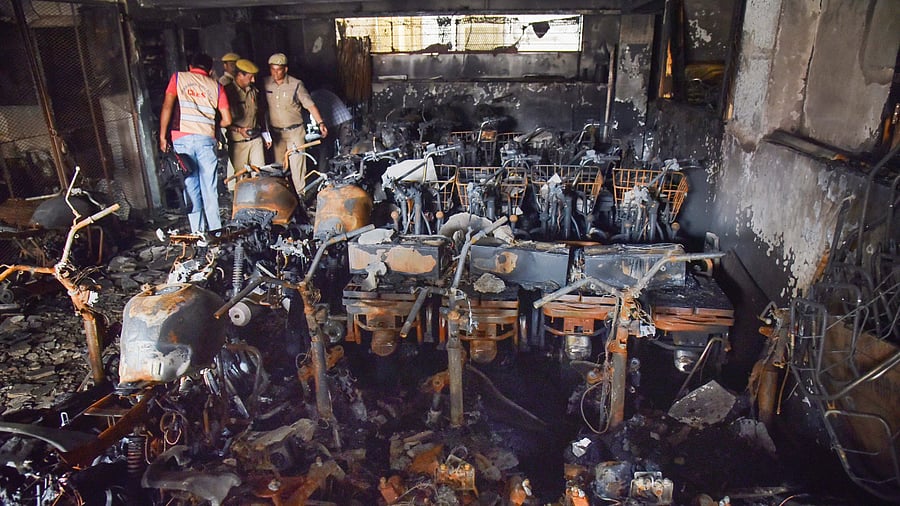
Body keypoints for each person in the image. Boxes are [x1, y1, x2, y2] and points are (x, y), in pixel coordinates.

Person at [159, 53, 231, 234]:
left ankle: (198, 234)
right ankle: (216, 234)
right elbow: (228, 120)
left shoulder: (178, 78)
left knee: (190, 187)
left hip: (181, 140)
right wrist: (211, 127)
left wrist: (162, 135)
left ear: (190, 67)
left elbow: (167, 106)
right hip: (206, 139)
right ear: (211, 70)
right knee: (210, 187)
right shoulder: (217, 86)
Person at [262, 52, 328, 196]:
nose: (275, 73)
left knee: (297, 167)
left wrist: (320, 123)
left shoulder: (296, 84)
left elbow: (310, 105)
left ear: (285, 69)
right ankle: (283, 198)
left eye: (278, 69)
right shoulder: (265, 83)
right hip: (277, 134)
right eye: (272, 69)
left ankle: (300, 197)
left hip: (295, 133)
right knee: (279, 168)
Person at [223, 58, 269, 190]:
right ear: (239, 75)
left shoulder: (253, 91)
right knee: (241, 178)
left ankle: (259, 206)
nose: (253, 80)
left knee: (260, 174)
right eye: (250, 77)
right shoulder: (227, 92)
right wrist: (238, 130)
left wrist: (266, 134)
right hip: (238, 143)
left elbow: (260, 113)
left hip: (255, 139)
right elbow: (220, 121)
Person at [310, 88, 353, 165]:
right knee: (346, 148)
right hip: (346, 118)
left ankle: (324, 173)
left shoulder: (312, 97)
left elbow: (316, 115)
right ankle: (347, 172)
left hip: (334, 121)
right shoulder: (324, 92)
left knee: (325, 150)